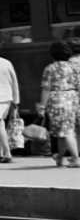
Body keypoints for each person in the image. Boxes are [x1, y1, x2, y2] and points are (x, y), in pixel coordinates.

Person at [36, 40, 78, 168]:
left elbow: (46, 88)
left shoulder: (50, 68)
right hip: (73, 99)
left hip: (58, 100)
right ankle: (60, 157)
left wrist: (42, 107)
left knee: (66, 132)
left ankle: (76, 159)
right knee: (62, 132)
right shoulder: (72, 67)